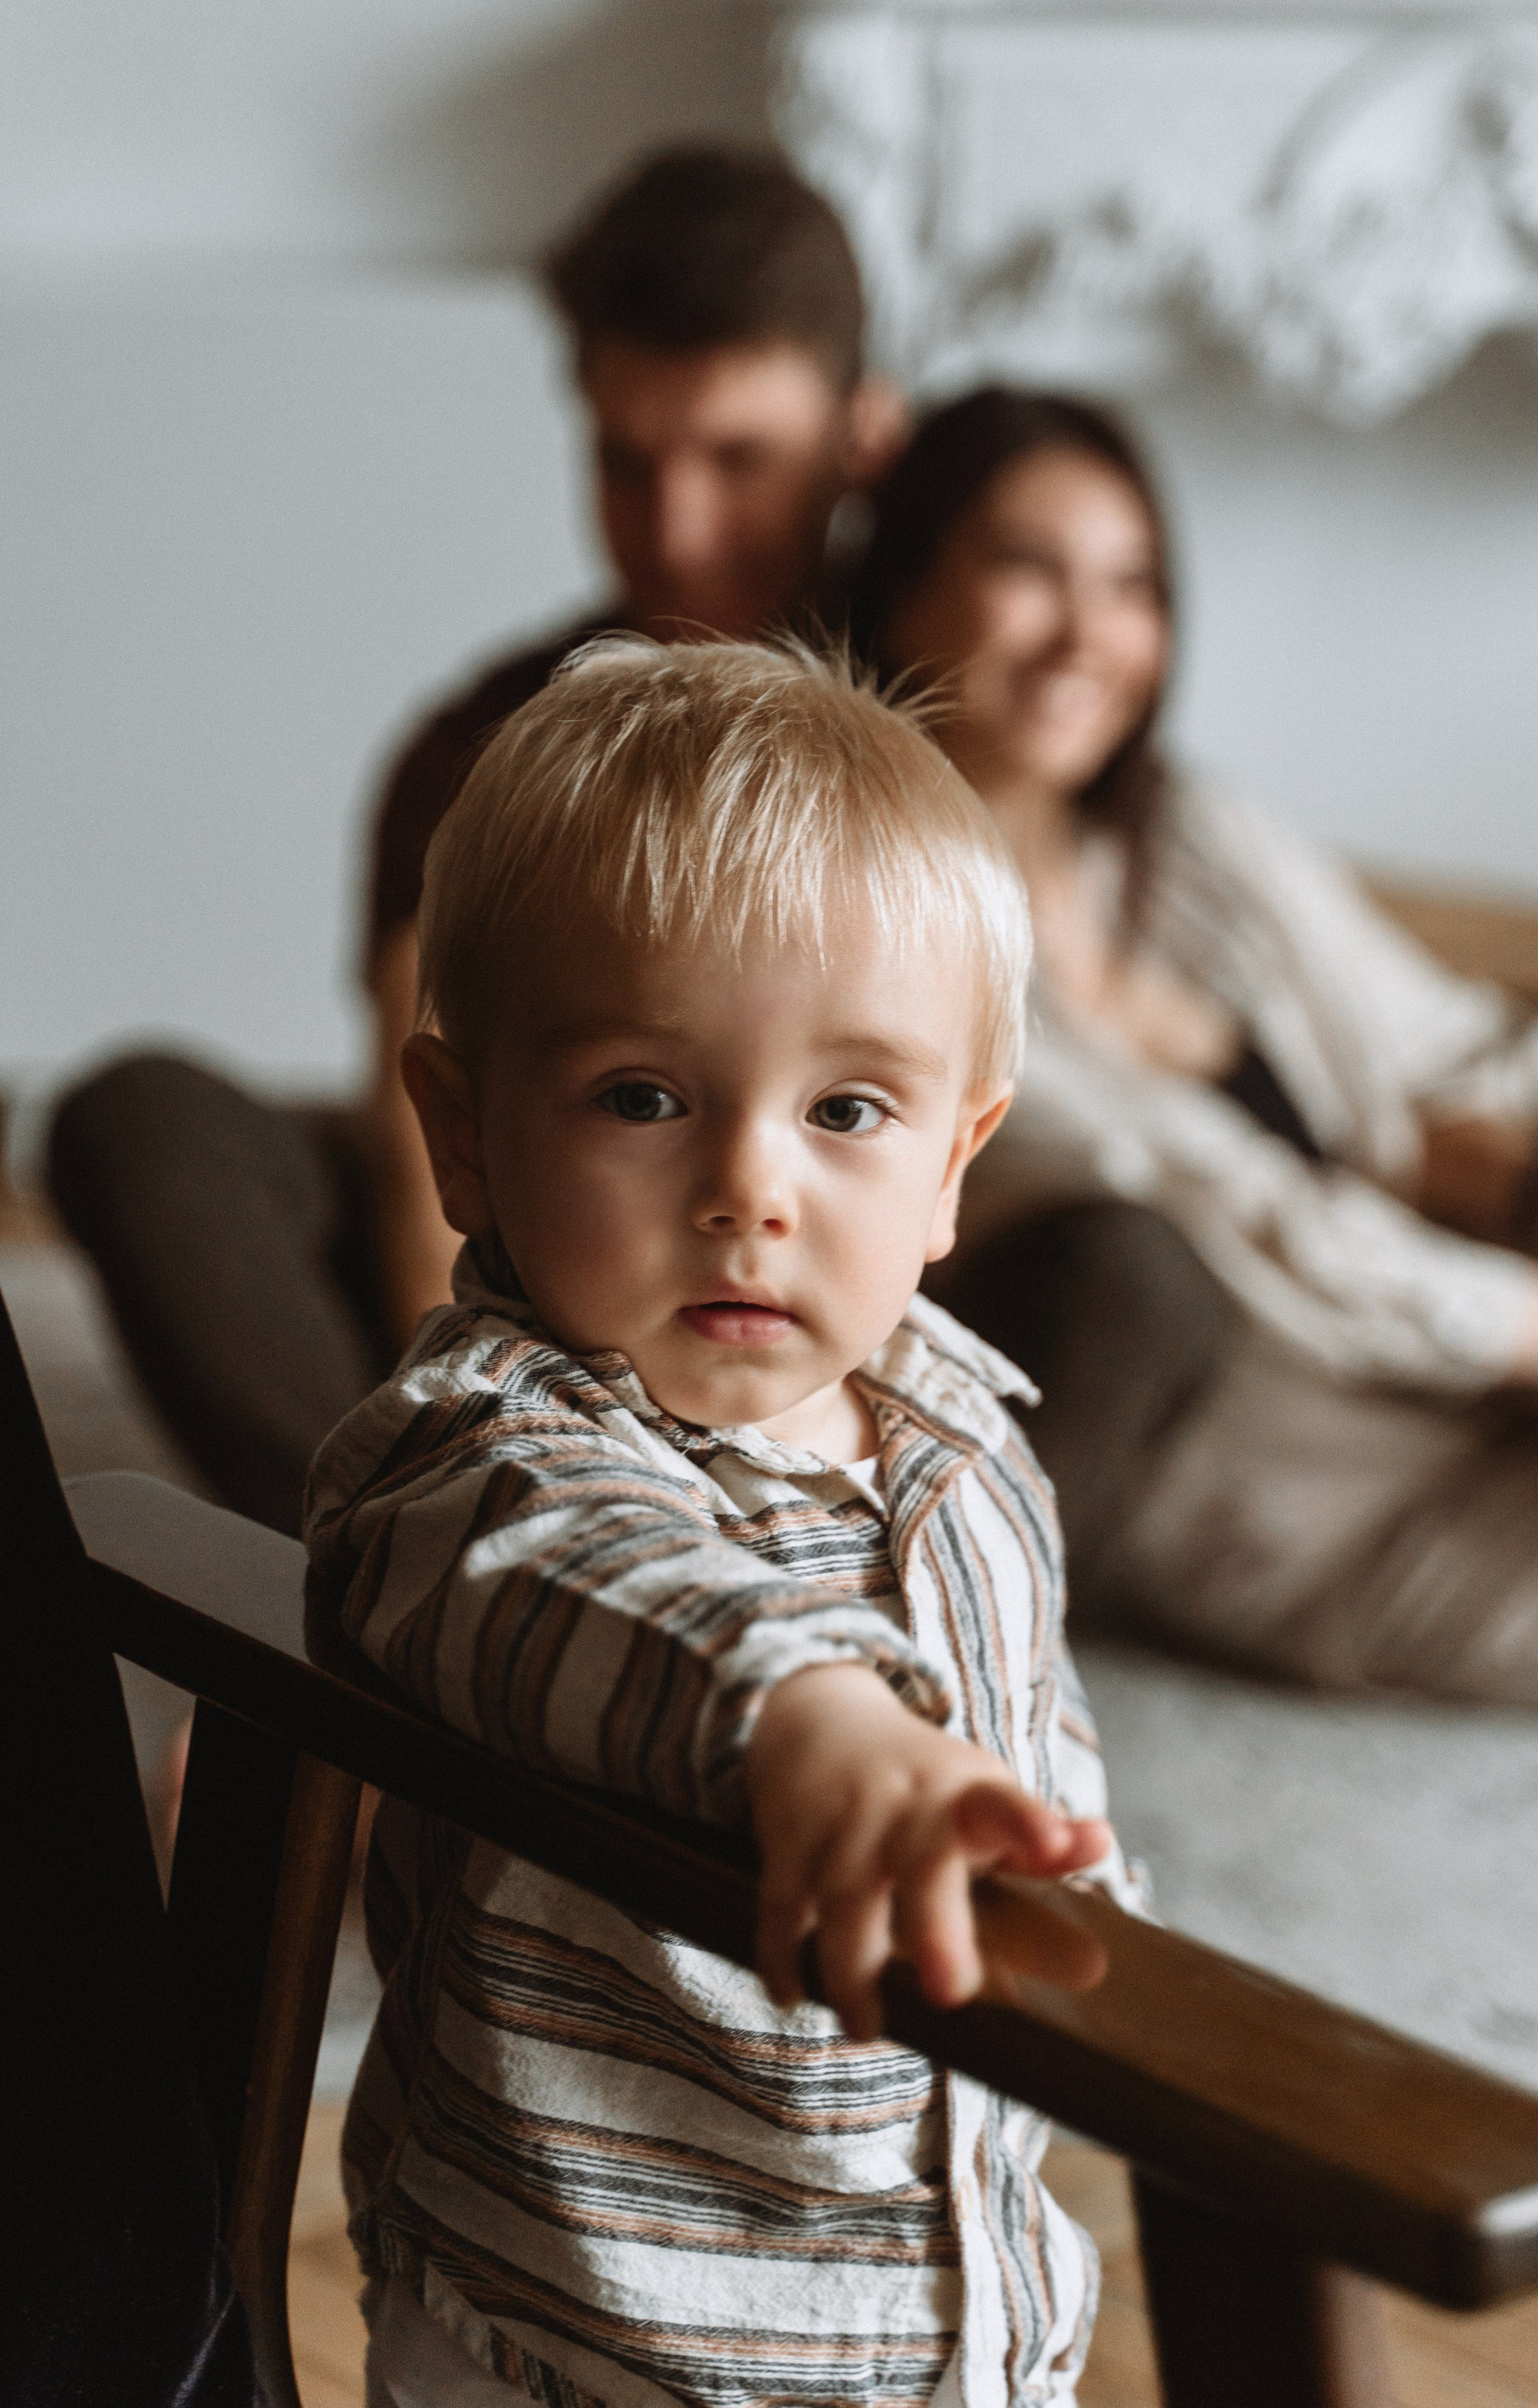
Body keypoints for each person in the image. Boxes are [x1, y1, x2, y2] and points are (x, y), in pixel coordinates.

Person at [304, 638, 1139, 2408]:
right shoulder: (477, 1451)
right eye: (645, 1097)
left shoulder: (970, 1440)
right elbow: (597, 1585)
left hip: (954, 2319)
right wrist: (810, 1715)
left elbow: (1038, 1759)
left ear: (955, 1166)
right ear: (462, 1135)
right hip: (586, 2335)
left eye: (849, 1110)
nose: (751, 1185)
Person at [48, 143, 904, 1536]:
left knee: (1124, 1274)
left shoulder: (946, 706)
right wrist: (470, 1433)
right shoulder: (481, 740)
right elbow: (421, 1132)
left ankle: (879, 1585)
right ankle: (378, 1578)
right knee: (141, 1124)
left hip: (849, 1267)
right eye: (629, 464)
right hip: (530, 1254)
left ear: (864, 439)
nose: (678, 530)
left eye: (739, 461)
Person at [850, 383, 1538, 1720]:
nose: (1086, 635)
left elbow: (1448, 1047)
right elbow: (1268, 1233)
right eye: (1026, 570)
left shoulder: (1186, 839)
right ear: (905, 591)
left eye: (1130, 585)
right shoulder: (898, 937)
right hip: (1311, 1506)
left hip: (1489, 1382)